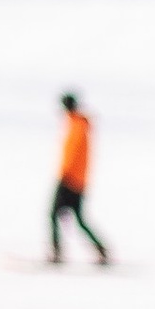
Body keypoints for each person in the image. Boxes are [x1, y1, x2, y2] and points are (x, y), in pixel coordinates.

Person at [48, 93, 110, 266]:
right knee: (79, 220)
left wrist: (64, 174)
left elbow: (73, 154)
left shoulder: (77, 124)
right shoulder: (77, 123)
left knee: (54, 215)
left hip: (69, 179)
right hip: (78, 179)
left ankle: (56, 252)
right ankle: (101, 249)